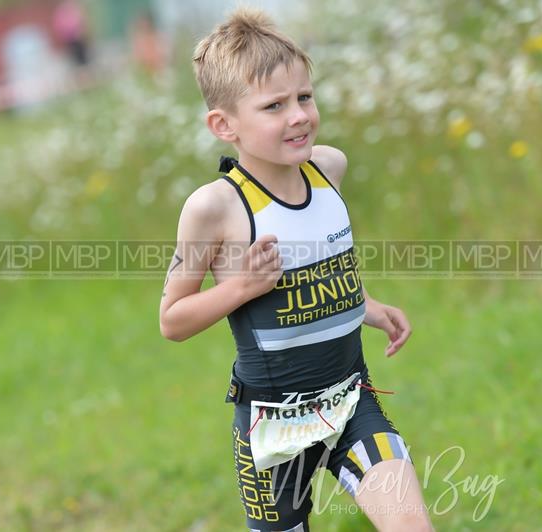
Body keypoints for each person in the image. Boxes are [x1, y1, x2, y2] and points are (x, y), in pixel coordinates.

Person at [159, 8, 433, 531]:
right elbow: (172, 320)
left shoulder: (329, 168)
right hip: (271, 431)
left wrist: (367, 307)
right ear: (224, 125)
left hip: (352, 401)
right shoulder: (214, 208)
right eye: (274, 106)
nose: (299, 115)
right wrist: (241, 287)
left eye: (304, 97)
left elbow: (319, 259)